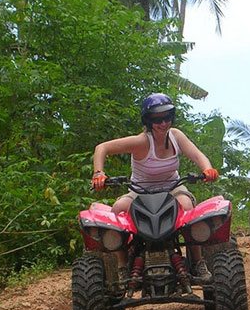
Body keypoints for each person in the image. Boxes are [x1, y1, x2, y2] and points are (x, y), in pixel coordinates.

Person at [91, 93, 218, 286]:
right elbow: (102, 148)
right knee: (117, 210)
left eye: (167, 117)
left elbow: (198, 155)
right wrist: (98, 173)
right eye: (157, 119)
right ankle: (122, 266)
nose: (163, 123)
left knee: (188, 209)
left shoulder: (176, 136)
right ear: (148, 120)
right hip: (139, 191)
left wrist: (207, 169)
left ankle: (198, 263)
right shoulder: (141, 141)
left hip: (172, 188)